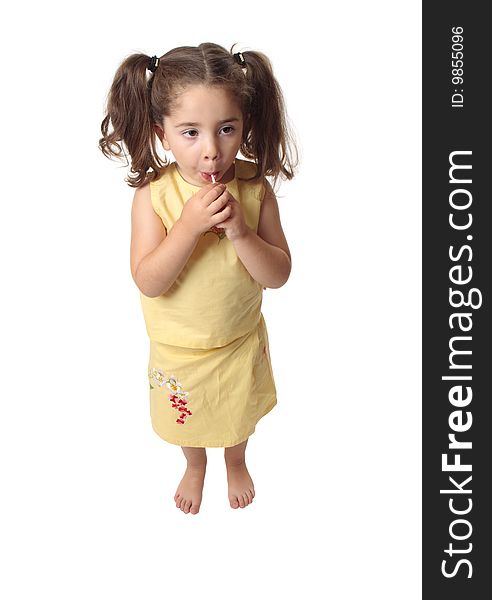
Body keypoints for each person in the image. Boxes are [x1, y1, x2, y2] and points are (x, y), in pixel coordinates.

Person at [99, 42, 298, 514]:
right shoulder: (154, 196)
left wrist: (243, 234)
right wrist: (188, 227)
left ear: (244, 125)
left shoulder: (253, 189)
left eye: (226, 129)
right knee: (185, 421)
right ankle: (194, 465)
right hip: (179, 348)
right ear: (161, 134)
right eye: (190, 132)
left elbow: (279, 274)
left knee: (237, 416)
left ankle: (234, 461)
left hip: (236, 341)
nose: (211, 150)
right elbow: (149, 280)